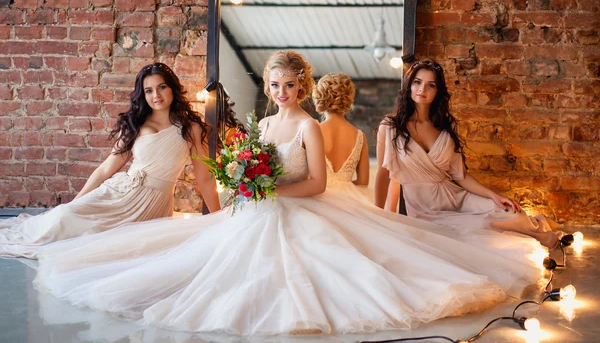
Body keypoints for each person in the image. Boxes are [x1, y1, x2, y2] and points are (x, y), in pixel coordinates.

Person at [34, 52, 544, 336]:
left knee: (333, 275)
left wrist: (271, 186)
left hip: (304, 207)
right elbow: (248, 168)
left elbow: (319, 183)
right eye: (273, 85)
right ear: (269, 86)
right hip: (259, 209)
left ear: (303, 86)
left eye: (288, 86)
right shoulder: (267, 124)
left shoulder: (308, 126)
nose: (281, 93)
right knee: (200, 263)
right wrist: (245, 182)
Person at [0, 63, 220, 259]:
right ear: (143, 95)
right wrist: (75, 201)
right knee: (64, 217)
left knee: (104, 244)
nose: (156, 95)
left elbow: (204, 179)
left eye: (162, 87)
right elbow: (106, 168)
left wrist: (219, 219)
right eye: (149, 90)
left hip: (151, 204)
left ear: (172, 88)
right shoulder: (137, 124)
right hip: (120, 192)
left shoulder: (190, 129)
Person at [374, 59, 561, 249]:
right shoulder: (391, 127)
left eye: (431, 85)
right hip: (426, 209)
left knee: (508, 211)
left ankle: (538, 224)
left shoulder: (445, 126)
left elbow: (460, 175)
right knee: (481, 226)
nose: (423, 89)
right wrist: (378, 216)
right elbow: (383, 175)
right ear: (408, 86)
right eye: (417, 82)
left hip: (455, 195)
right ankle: (538, 235)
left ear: (437, 91)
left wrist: (493, 196)